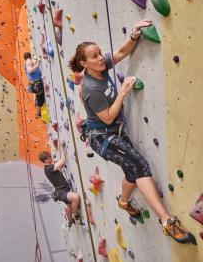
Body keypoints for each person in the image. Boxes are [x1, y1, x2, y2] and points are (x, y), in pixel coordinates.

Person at [69, 19, 193, 243]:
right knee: (140, 166)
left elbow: (119, 53)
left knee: (130, 171)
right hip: (103, 138)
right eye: (94, 56)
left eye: (99, 53)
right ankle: (166, 221)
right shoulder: (91, 88)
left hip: (114, 132)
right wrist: (123, 91)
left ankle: (124, 202)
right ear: (84, 63)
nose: (100, 58)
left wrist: (135, 35)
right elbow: (106, 118)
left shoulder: (100, 67)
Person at [39, 141, 81, 228]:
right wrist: (62, 147)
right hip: (61, 192)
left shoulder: (48, 169)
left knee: (69, 206)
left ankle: (70, 222)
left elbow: (59, 170)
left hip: (62, 190)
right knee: (75, 197)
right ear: (46, 160)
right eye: (49, 157)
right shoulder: (48, 168)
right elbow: (62, 161)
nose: (51, 158)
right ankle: (76, 216)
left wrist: (60, 166)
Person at [24, 52, 45, 118]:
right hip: (37, 84)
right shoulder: (28, 62)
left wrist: (37, 60)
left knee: (39, 96)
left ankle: (37, 100)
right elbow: (30, 70)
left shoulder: (28, 61)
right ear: (30, 56)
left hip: (35, 84)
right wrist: (37, 65)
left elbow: (33, 62)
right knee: (41, 100)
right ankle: (38, 114)